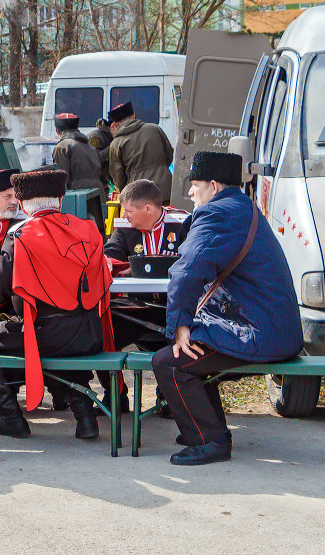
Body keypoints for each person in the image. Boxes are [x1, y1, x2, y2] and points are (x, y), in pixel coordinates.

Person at [155, 151, 301, 466]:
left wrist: (179, 325)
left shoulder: (218, 213)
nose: (191, 192)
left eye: (195, 185)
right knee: (188, 351)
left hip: (260, 332)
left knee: (170, 361)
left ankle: (209, 440)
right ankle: (208, 427)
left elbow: (187, 270)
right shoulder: (239, 206)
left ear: (214, 186)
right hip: (272, 326)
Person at [0, 170, 114, 441]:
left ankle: (12, 417)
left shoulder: (20, 234)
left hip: (43, 334)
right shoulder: (89, 229)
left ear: (22, 206)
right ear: (60, 199)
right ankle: (85, 418)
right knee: (60, 337)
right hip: (89, 332)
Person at [100, 178, 189, 410]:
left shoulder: (182, 223)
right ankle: (115, 395)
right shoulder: (124, 227)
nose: (125, 216)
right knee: (101, 324)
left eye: (129, 211)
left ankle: (170, 396)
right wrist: (116, 265)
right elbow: (110, 255)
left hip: (176, 308)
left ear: (147, 208)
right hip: (139, 308)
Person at [107, 102, 174, 202]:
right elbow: (169, 154)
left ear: (116, 123)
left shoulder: (116, 143)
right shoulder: (154, 128)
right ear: (134, 115)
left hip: (138, 194)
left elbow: (118, 176)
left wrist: (125, 191)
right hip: (165, 188)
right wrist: (160, 169)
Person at [51, 112, 105, 228]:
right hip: (97, 198)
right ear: (77, 128)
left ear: (57, 131)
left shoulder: (62, 146)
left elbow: (62, 181)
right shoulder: (90, 147)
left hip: (78, 202)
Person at [86, 117, 113, 184]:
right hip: (93, 180)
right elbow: (96, 158)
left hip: (103, 178)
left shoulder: (110, 136)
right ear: (113, 126)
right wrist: (112, 146)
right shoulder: (95, 136)